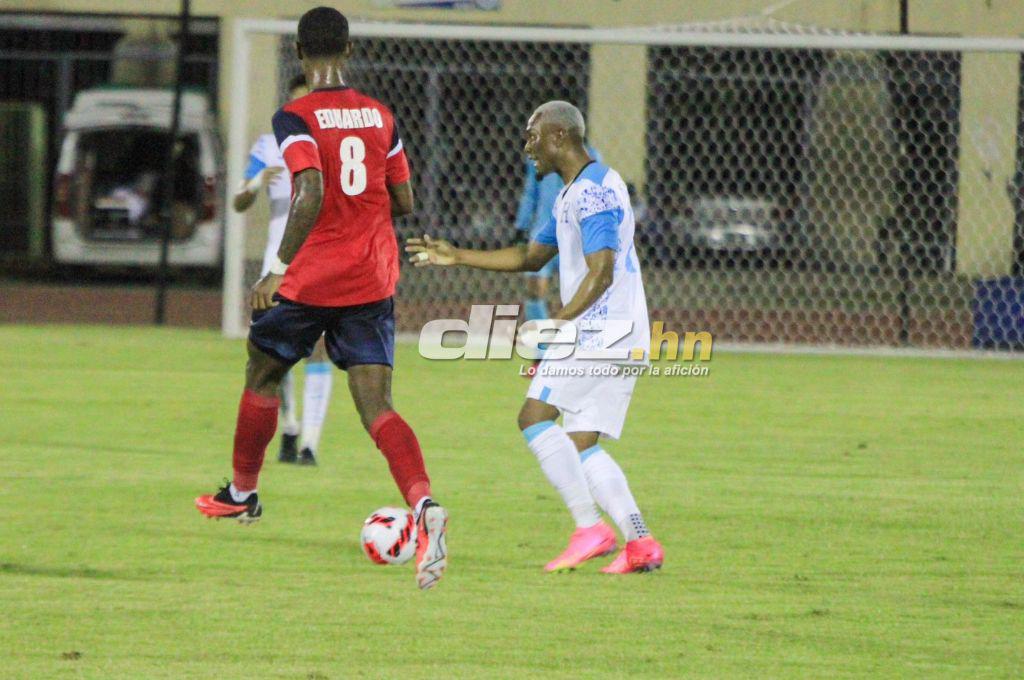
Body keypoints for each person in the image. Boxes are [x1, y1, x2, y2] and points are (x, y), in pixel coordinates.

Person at [196, 6, 448, 591]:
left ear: (300, 56)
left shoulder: (295, 115)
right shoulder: (382, 116)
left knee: (262, 371)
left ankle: (242, 491)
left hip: (313, 277)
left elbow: (308, 189)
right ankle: (424, 503)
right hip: (372, 277)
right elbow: (404, 200)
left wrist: (276, 269)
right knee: (376, 405)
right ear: (350, 50)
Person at [406, 101, 663, 574]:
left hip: (599, 332)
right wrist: (457, 255)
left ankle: (590, 528)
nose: (527, 148)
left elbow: (601, 271)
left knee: (534, 416)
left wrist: (560, 321)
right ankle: (640, 543)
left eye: (533, 137)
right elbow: (530, 255)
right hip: (624, 334)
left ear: (560, 136)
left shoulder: (590, 193)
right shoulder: (574, 191)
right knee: (582, 443)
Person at [234, 74, 333, 466]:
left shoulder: (334, 148)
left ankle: (310, 443)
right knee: (276, 350)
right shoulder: (270, 144)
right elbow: (239, 201)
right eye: (296, 103)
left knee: (319, 347)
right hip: (277, 263)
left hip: (320, 260)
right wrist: (256, 181)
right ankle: (290, 427)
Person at [514, 142, 601, 330]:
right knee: (535, 289)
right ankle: (542, 351)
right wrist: (521, 226)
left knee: (577, 296)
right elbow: (531, 192)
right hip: (543, 234)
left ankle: (577, 348)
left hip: (576, 237)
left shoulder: (591, 156)